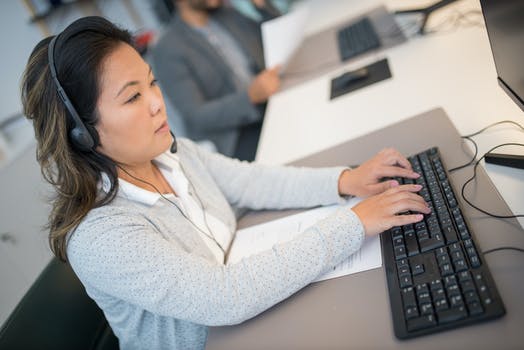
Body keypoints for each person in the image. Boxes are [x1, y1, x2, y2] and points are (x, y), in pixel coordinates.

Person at [21, 16, 430, 350]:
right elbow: (223, 298)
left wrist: (345, 180)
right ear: (81, 132)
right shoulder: (100, 234)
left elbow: (252, 181)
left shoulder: (167, 153)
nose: (156, 102)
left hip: (253, 321)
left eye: (152, 82)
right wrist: (354, 223)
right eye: (132, 97)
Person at [152, 0, 281, 161]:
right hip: (236, 135)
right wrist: (250, 97)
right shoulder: (168, 48)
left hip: (271, 102)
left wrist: (261, 5)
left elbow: (277, 38)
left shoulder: (227, 14)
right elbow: (196, 115)